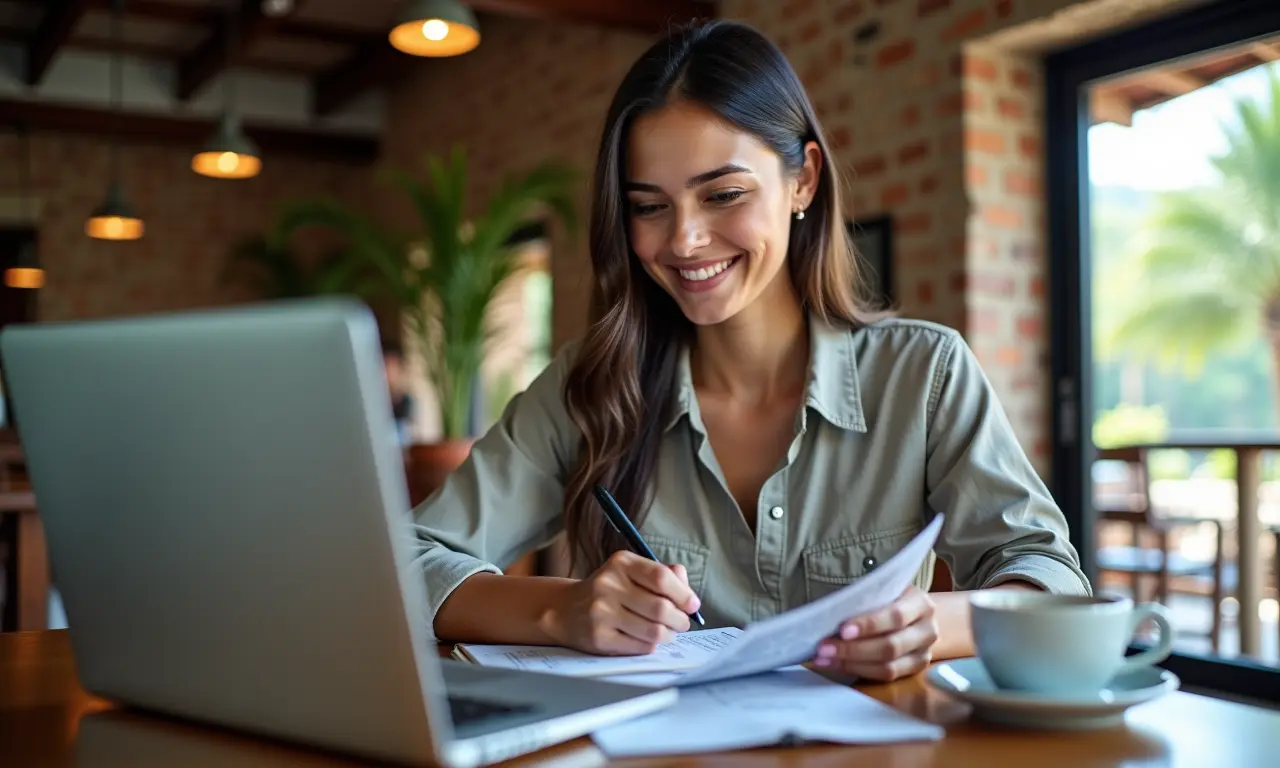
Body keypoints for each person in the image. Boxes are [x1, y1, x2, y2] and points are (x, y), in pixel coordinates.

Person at [410, 19, 1089, 683]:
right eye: (649, 207)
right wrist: (563, 609)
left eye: (723, 195)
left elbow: (1053, 585)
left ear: (804, 181)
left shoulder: (925, 377)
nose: (684, 241)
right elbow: (404, 559)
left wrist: (935, 623)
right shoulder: (587, 388)